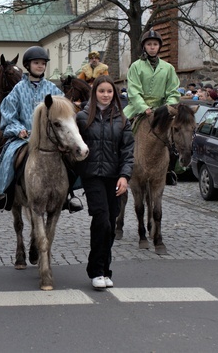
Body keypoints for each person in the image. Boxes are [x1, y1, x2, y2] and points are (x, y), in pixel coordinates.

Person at [74, 75, 134, 290]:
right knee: (102, 220)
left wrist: (125, 176)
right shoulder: (82, 117)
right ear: (94, 92)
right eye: (102, 91)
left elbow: (128, 151)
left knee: (109, 223)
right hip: (92, 176)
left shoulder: (122, 119)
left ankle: (103, 269)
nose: (106, 95)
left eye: (109, 91)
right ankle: (97, 271)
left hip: (114, 177)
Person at [0, 46, 64, 211]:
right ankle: (3, 194)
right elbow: (8, 114)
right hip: (23, 136)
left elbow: (63, 113)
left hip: (49, 137)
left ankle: (68, 195)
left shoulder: (53, 89)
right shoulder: (18, 89)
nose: (40, 66)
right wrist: (18, 129)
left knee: (70, 155)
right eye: (36, 63)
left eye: (43, 63)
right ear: (28, 65)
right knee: (8, 157)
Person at [123, 29, 180, 184]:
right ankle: (120, 167)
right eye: (149, 44)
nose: (152, 47)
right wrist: (143, 107)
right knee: (120, 130)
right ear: (144, 46)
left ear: (159, 47)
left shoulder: (168, 68)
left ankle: (170, 171)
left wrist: (168, 107)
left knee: (173, 140)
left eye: (155, 44)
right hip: (137, 108)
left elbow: (173, 91)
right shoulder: (136, 66)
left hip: (162, 110)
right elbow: (133, 90)